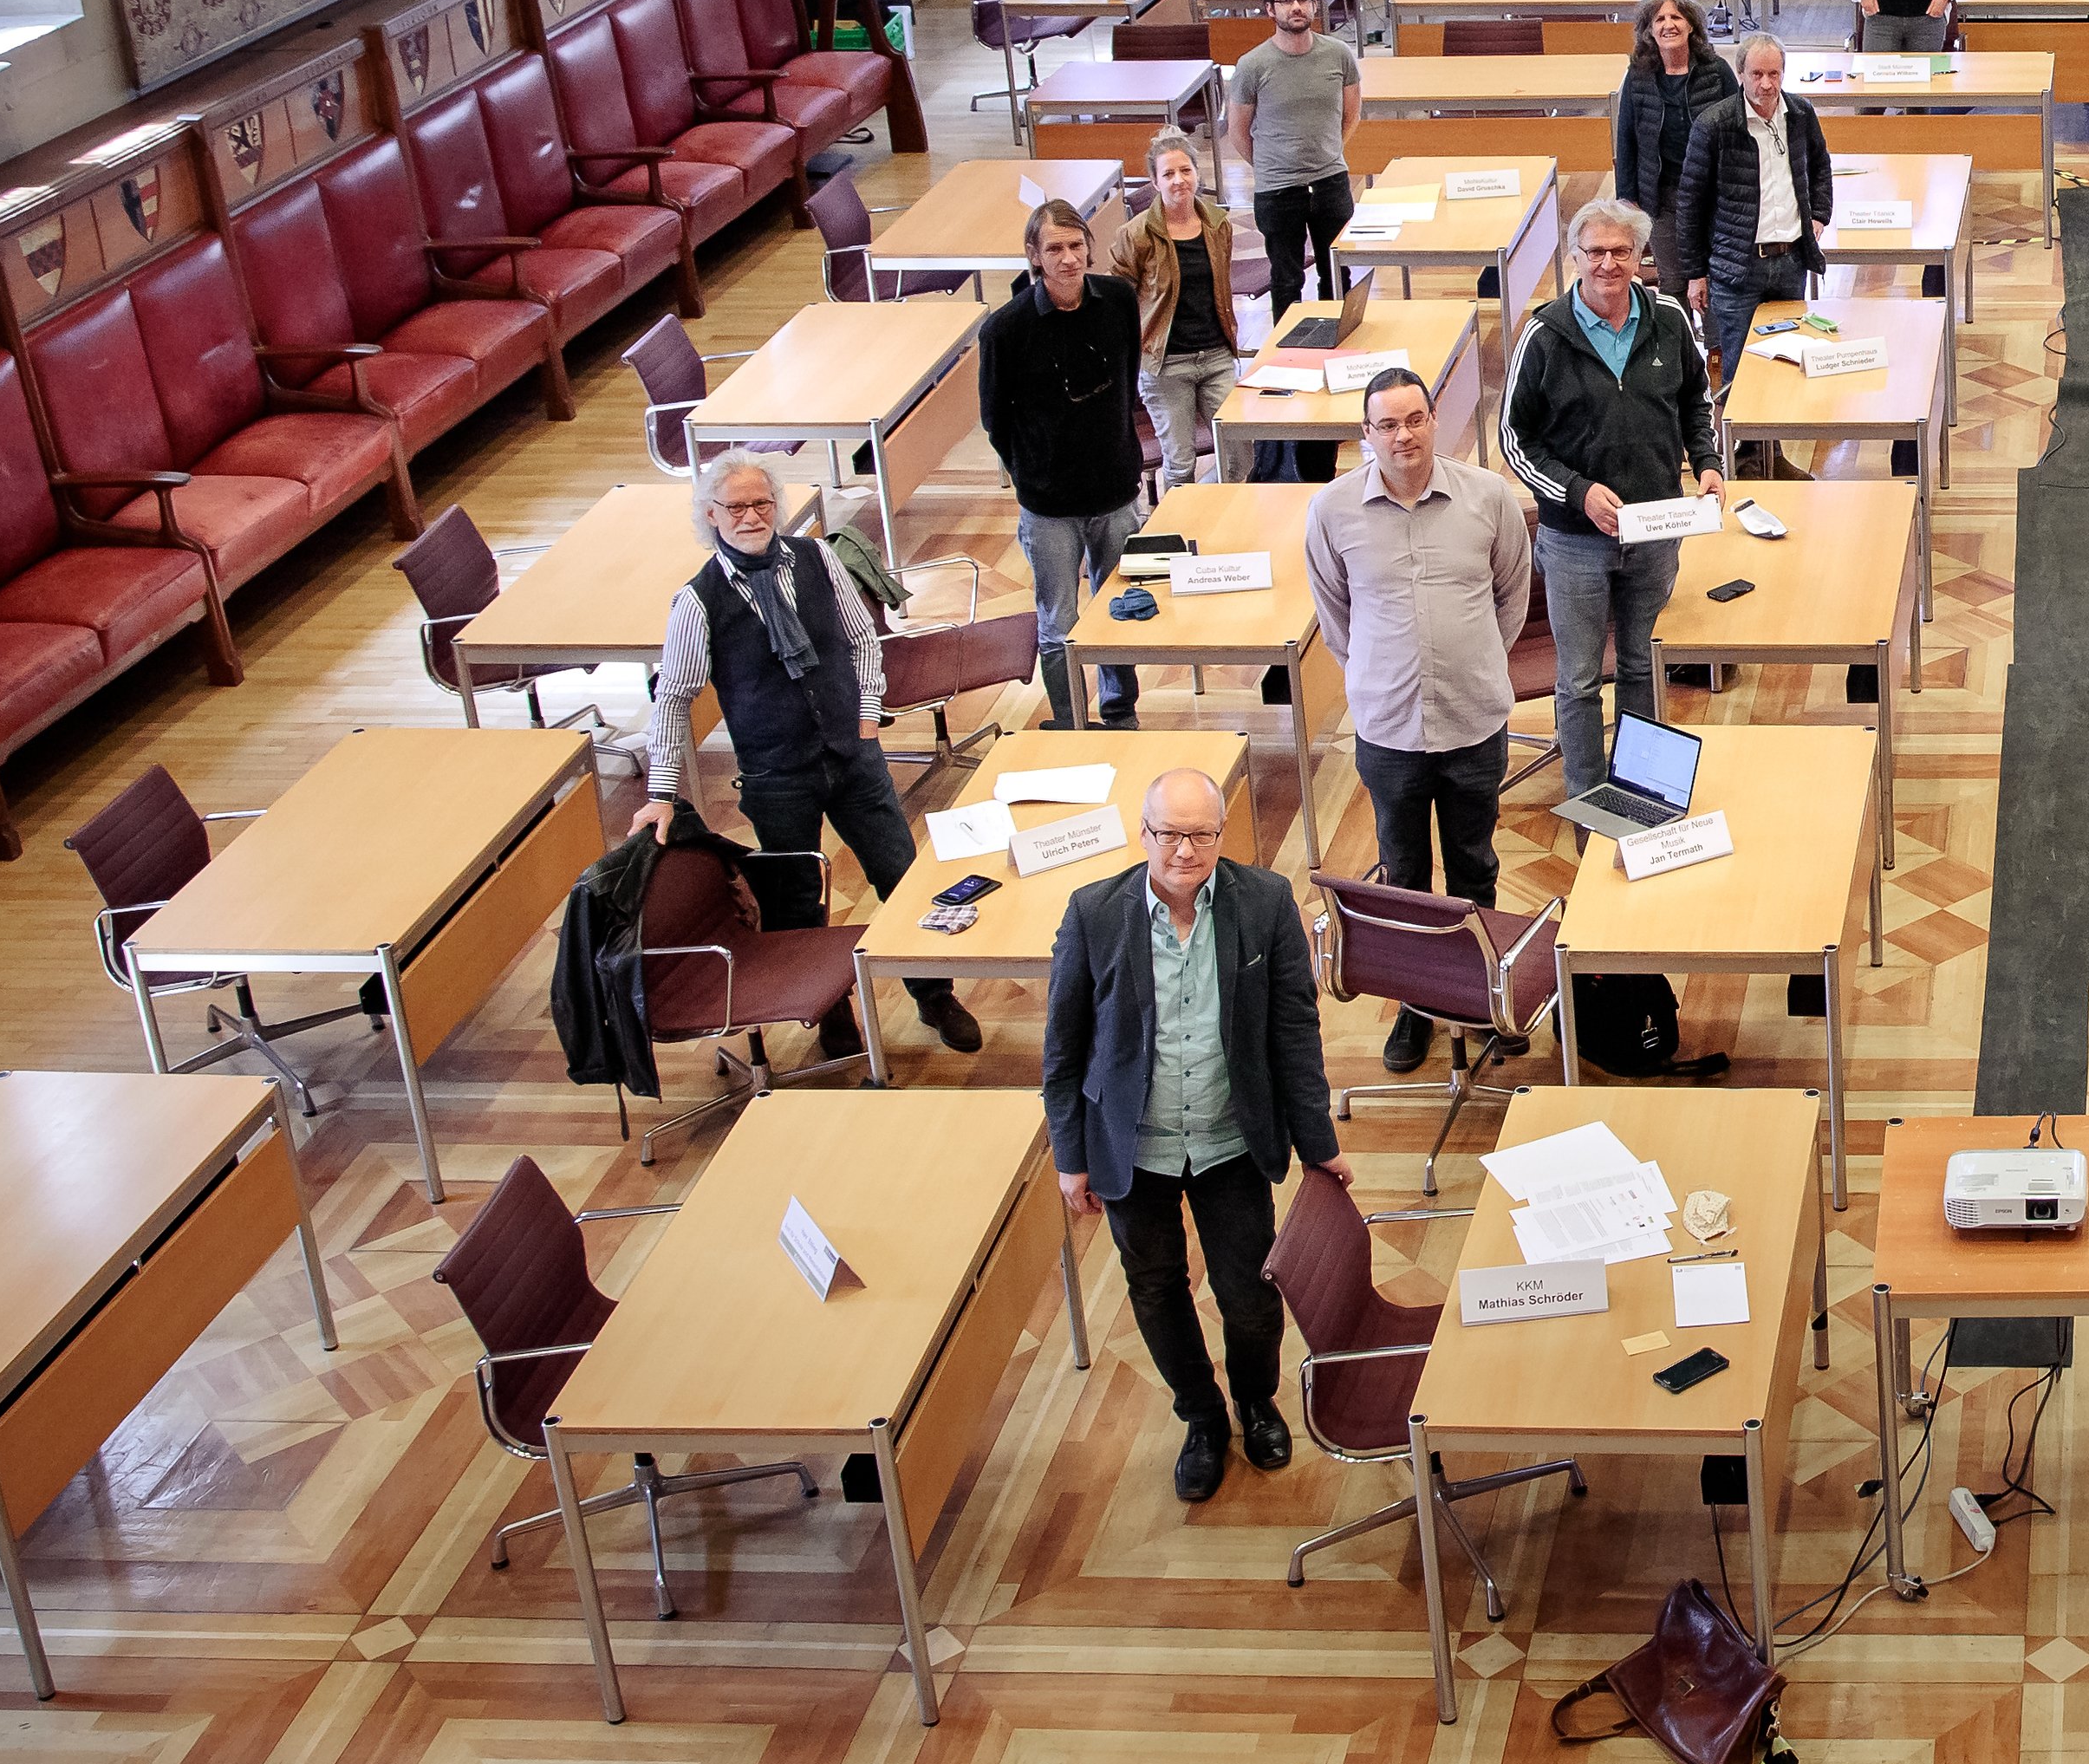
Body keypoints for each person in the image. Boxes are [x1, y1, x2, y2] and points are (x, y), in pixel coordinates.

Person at [1043, 765, 1345, 1506]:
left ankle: (1254, 1401)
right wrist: (1070, 1156)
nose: (1186, 850)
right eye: (1170, 834)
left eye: (1202, 834)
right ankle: (1202, 1418)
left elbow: (1294, 1036)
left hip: (1229, 1139)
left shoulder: (1267, 903)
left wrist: (1319, 1144)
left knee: (1249, 1294)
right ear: (1144, 834)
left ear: (1221, 833)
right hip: (1133, 1146)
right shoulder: (1093, 913)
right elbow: (1063, 1049)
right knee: (1155, 1290)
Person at [632, 452, 975, 1058]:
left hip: (854, 756)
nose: (750, 517)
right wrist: (661, 793)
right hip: (775, 777)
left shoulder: (817, 558)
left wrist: (869, 714)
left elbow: (863, 639)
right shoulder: (695, 603)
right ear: (710, 516)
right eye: (735, 507)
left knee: (900, 875)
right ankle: (830, 1010)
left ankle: (934, 993)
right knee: (796, 900)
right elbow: (673, 699)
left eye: (761, 503)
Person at [1303, 365, 1534, 1072]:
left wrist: (1474, 661)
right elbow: (1335, 616)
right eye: (1387, 424)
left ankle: (1481, 993)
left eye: (1415, 419)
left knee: (1476, 867)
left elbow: (1512, 597)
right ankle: (1414, 1006)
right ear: (1364, 435)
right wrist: (1380, 669)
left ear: (1436, 419)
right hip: (1388, 728)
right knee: (1403, 876)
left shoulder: (1489, 498)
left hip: (1473, 719)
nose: (1404, 436)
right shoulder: (1333, 511)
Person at [1497, 198, 1727, 803]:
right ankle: (1586, 798)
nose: (1607, 263)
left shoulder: (1671, 319)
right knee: (1576, 680)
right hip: (1575, 541)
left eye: (1620, 251)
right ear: (1574, 258)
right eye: (1594, 252)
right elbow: (1514, 440)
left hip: (1656, 530)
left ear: (1639, 256)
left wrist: (1707, 465)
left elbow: (1696, 406)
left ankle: (1639, 791)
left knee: (1640, 665)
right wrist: (1577, 492)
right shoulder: (1544, 335)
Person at [978, 198, 1143, 731]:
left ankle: (1120, 713)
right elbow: (994, 421)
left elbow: (1129, 381)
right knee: (1060, 622)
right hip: (1049, 507)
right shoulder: (1005, 330)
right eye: (1055, 249)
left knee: (1119, 611)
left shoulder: (1119, 300)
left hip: (1116, 493)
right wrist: (1034, 471)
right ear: (1034, 255)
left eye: (1076, 246)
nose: (1069, 259)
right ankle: (1071, 724)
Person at [1674, 33, 1836, 408]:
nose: (1766, 84)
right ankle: (1742, 459)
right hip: (1737, 268)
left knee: (1786, 361)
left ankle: (1774, 457)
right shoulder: (1713, 125)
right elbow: (1691, 202)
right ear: (1740, 73)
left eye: (1774, 74)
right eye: (1757, 74)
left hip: (1791, 263)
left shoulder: (1801, 114)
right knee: (1740, 372)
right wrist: (1696, 273)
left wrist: (1818, 215)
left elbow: (1821, 167)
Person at [1224, 0, 1359, 316]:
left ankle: (1338, 344)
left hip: (1331, 182)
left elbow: (1350, 115)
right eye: (1286, 1)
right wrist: (1275, 163)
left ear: (1314, 5)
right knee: (1286, 280)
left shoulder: (1339, 55)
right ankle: (1288, 359)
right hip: (1278, 190)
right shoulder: (1252, 66)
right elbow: (1238, 132)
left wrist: (1326, 152)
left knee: (1336, 274)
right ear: (1271, 9)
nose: (1295, 7)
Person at [1120, 129, 1241, 489]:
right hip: (1166, 364)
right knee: (1179, 464)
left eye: (1185, 171)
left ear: (1197, 173)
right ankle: (1182, 533)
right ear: (1155, 182)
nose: (1179, 181)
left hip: (1217, 355)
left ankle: (1216, 515)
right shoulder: (1136, 234)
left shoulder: (1217, 224)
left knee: (1240, 452)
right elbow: (1120, 300)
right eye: (1168, 174)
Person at [1610, 0, 1741, 233]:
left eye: (1676, 18)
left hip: (1713, 195)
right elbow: (1626, 139)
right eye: (1659, 19)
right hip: (1660, 198)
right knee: (1671, 272)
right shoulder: (1638, 77)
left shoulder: (1717, 72)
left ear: (1691, 25)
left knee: (1717, 269)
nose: (1668, 25)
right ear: (1649, 30)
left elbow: (1740, 134)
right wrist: (1627, 197)